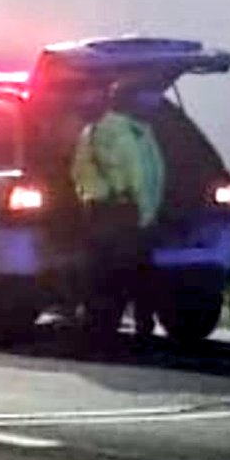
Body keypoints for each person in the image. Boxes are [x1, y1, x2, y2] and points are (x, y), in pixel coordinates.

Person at [72, 83, 165, 339]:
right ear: (129, 103)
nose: (149, 105)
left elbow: (79, 173)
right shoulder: (123, 133)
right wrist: (143, 211)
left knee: (111, 271)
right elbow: (139, 176)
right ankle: (133, 324)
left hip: (110, 211)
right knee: (131, 269)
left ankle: (105, 325)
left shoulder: (102, 131)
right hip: (122, 211)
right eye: (142, 100)